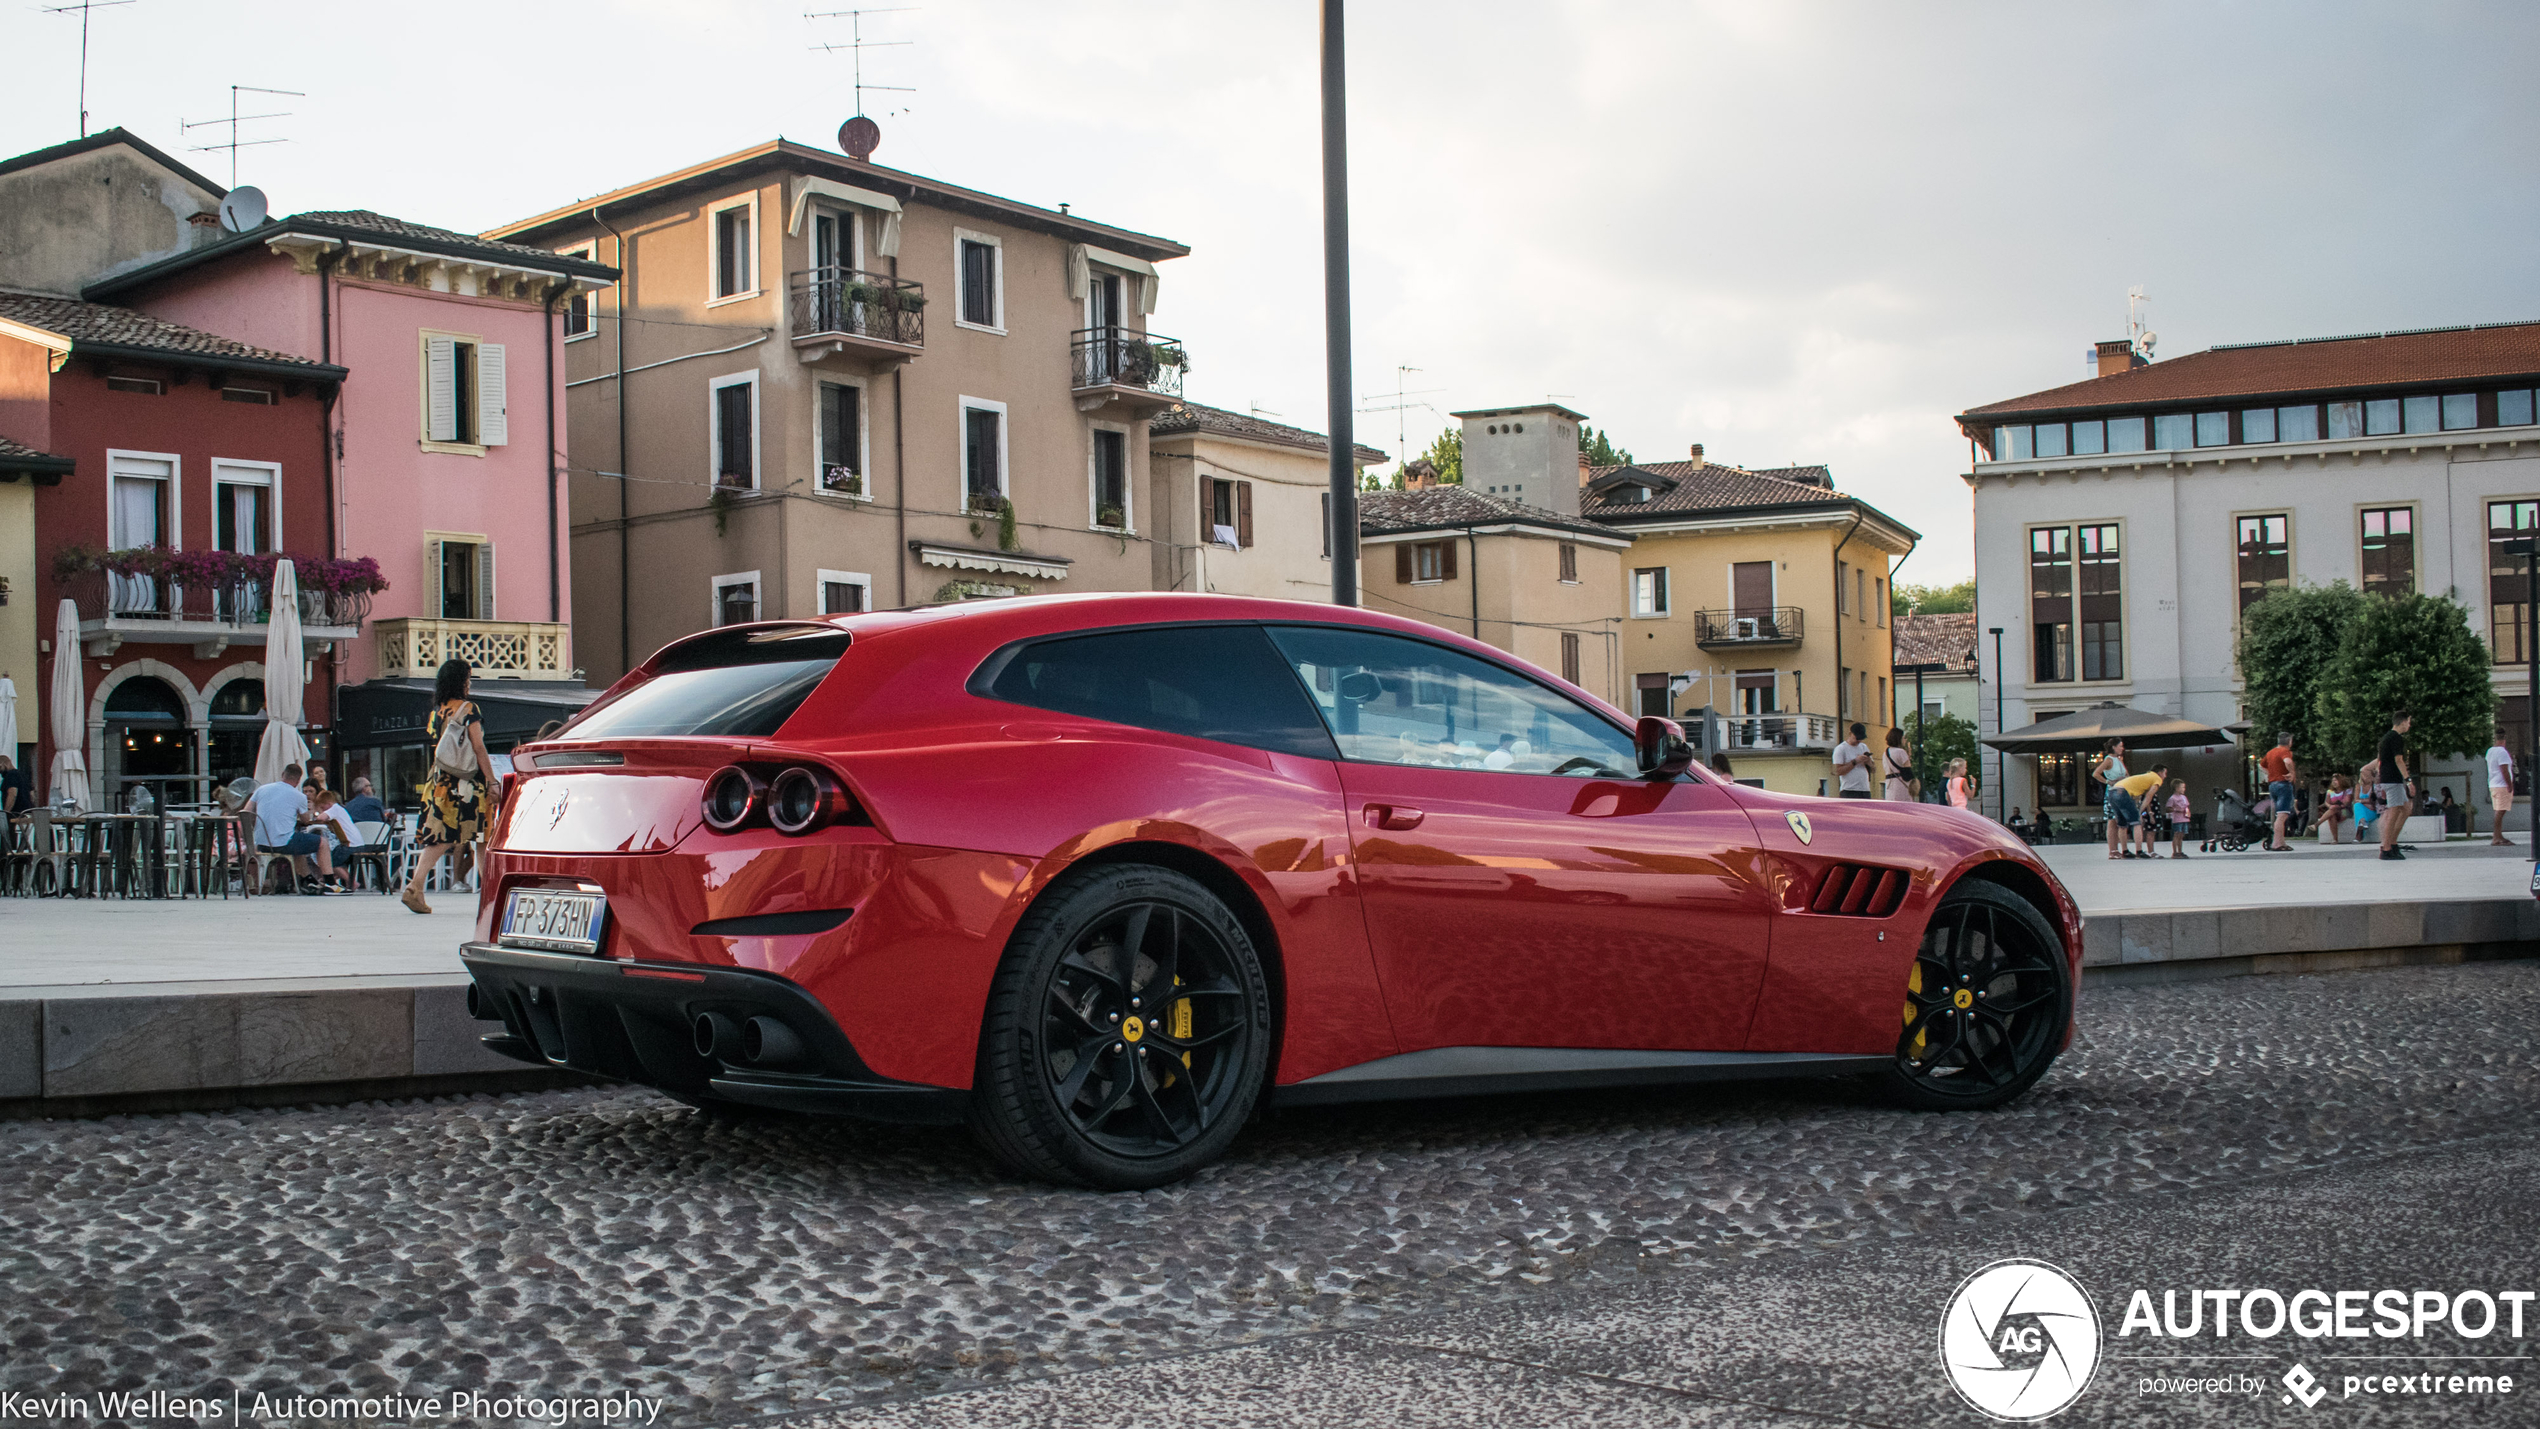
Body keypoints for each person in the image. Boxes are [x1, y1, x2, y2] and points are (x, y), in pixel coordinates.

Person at [401, 659, 498, 914]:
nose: (470, 682)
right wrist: (492, 780)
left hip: (441, 780)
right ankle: (492, 895)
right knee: (481, 837)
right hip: (467, 782)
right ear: (462, 681)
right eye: (468, 677)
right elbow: (478, 747)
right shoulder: (469, 709)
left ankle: (416, 884)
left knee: (442, 835)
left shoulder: (438, 711)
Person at [248, 761, 340, 893]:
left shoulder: (261, 789)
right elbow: (305, 820)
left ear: (282, 775)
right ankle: (330, 883)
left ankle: (308, 879)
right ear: (298, 781)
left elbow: (246, 811)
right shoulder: (299, 796)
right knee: (322, 842)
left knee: (300, 843)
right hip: (283, 842)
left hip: (261, 842)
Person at [2377, 711, 2415, 861]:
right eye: (2409, 722)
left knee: (2406, 809)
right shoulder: (2396, 738)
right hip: (2393, 779)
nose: (2409, 725)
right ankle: (2386, 847)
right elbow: (2398, 760)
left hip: (2389, 778)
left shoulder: (2386, 738)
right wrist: (2408, 779)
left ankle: (2392, 842)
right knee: (2393, 813)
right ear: (2403, 721)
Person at [2109, 764, 2168, 859]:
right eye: (2165, 773)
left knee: (2122, 824)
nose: (2165, 776)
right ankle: (2139, 851)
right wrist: (2140, 811)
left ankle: (2125, 851)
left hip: (2113, 791)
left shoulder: (2145, 776)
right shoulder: (2157, 779)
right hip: (2124, 792)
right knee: (2137, 823)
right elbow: (2149, 796)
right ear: (2160, 773)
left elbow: (2136, 794)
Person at [2259, 730, 2299, 851]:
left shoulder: (2271, 752)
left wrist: (2270, 773)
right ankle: (2277, 843)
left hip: (2272, 785)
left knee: (2279, 814)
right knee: (2282, 815)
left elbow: (2261, 765)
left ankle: (2281, 842)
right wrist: (2292, 773)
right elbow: (2287, 761)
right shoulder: (2285, 752)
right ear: (2289, 742)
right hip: (2283, 784)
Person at [2091, 738, 2130, 859]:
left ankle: (2117, 849)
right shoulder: (2109, 760)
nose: (2122, 748)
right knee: (2112, 821)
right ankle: (2112, 850)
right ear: (2114, 747)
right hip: (2113, 792)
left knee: (2119, 821)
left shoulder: (2119, 760)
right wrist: (2109, 782)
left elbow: (2127, 775)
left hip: (2121, 791)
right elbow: (2096, 773)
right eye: (2120, 746)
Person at [2486, 730, 2517, 847]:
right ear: (2504, 738)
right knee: (2500, 811)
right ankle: (2496, 836)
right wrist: (2510, 784)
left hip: (2493, 784)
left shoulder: (2490, 751)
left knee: (2499, 810)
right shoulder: (2502, 752)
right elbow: (2504, 769)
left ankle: (2498, 835)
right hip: (2501, 785)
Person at [1831, 722, 1874, 798]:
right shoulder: (1841, 749)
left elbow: (1874, 769)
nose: (1858, 740)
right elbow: (1837, 771)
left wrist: (1868, 762)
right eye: (1856, 738)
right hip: (1849, 789)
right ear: (1850, 734)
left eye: (1861, 739)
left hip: (1865, 789)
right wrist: (1855, 762)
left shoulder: (1864, 747)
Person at [1879, 727, 1915, 802]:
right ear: (1899, 739)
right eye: (1903, 738)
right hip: (1900, 784)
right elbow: (1907, 770)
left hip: (1889, 784)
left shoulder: (1886, 752)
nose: (1905, 740)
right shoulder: (1901, 752)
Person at [2164, 778, 2193, 859]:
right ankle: (2175, 852)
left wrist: (2188, 812)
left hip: (2184, 818)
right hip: (2177, 819)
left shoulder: (2184, 797)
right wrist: (2176, 809)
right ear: (2177, 788)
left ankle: (2180, 851)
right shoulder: (2173, 798)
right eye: (2182, 787)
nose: (2184, 789)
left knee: (2181, 835)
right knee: (2176, 834)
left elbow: (2187, 806)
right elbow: (2168, 808)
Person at [2322, 773, 2353, 844]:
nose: (2334, 782)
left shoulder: (2347, 790)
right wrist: (2330, 806)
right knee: (2332, 815)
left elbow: (2347, 802)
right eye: (2333, 781)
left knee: (2333, 810)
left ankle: (2317, 824)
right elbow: (2326, 802)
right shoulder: (2329, 791)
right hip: (2333, 811)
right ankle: (2335, 839)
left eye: (2336, 780)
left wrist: (2336, 806)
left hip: (2344, 811)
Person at [0, 755, 31, 819]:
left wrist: (6, 813)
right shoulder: (22, 775)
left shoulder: (11, 775)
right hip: (26, 813)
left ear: (4, 763)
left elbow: (12, 793)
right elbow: (32, 794)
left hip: (15, 814)